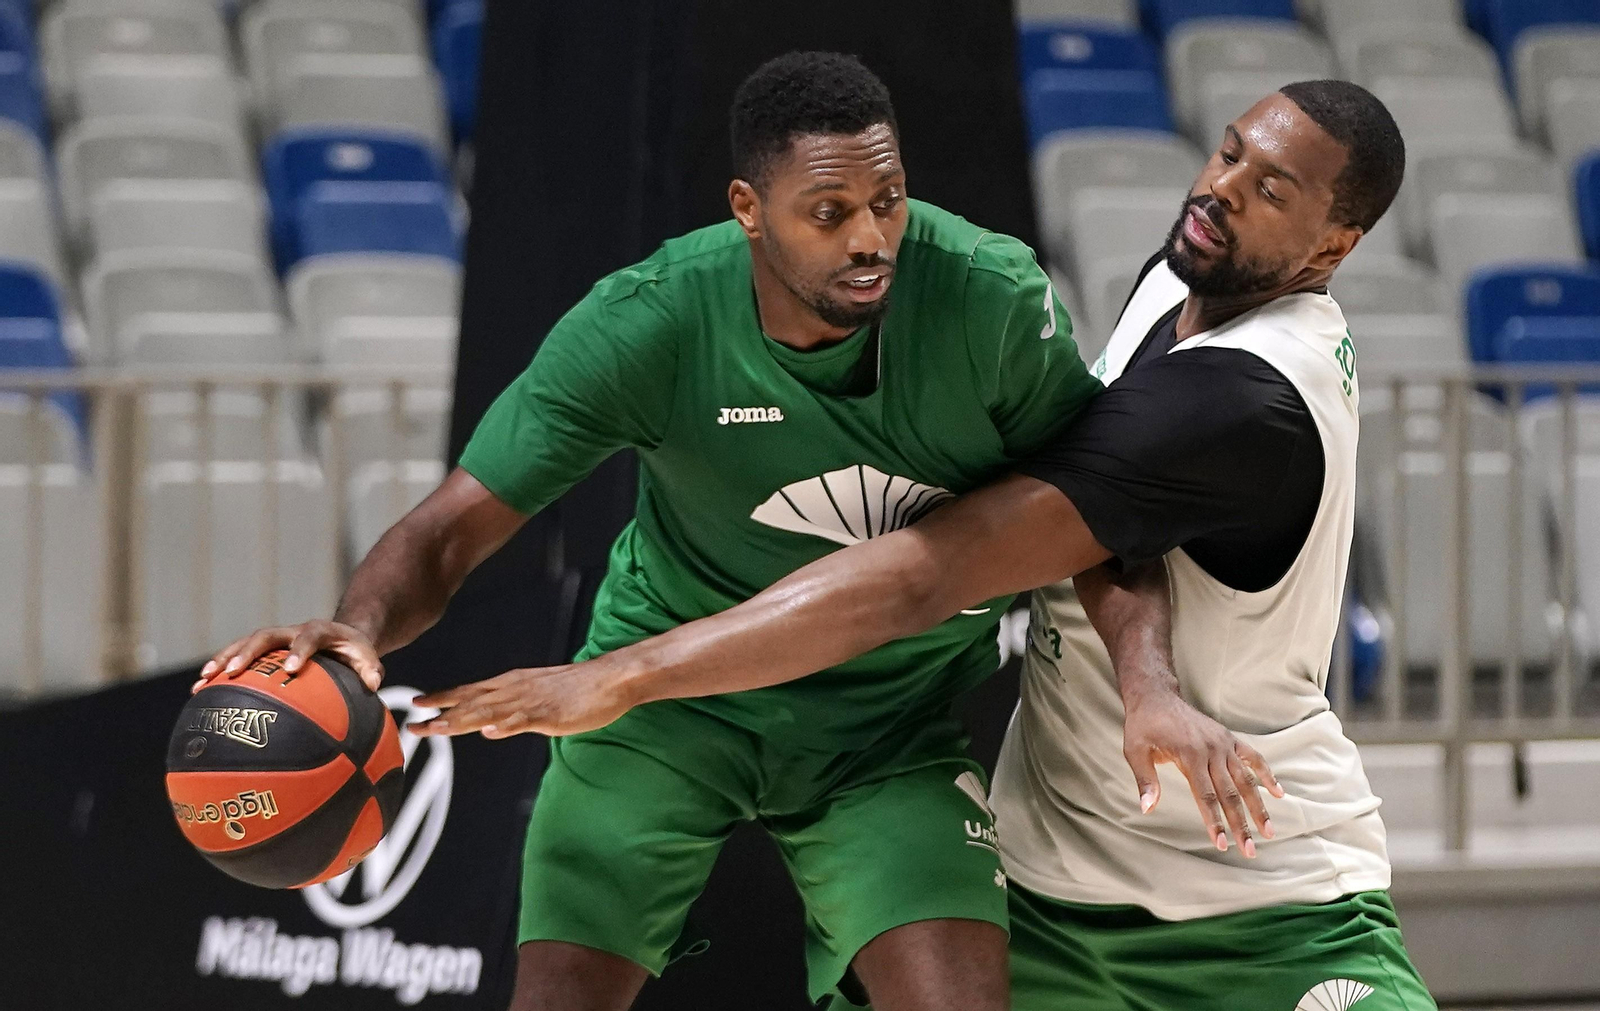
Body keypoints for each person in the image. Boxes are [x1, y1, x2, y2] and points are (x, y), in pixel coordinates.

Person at [196, 51, 1198, 1011]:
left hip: (883, 726)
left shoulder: (986, 299)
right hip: (660, 714)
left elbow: (1098, 521)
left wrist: (1146, 686)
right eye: (829, 212)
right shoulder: (650, 321)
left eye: (886, 202)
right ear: (748, 212)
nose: (870, 239)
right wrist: (358, 632)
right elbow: (450, 528)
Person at [414, 81, 1441, 1011]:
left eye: (1271, 190)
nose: (1220, 191)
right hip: (1056, 879)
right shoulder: (1181, 285)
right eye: (1226, 154)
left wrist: (622, 676)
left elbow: (922, 578)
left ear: (1328, 248)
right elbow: (1111, 538)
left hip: (1250, 889)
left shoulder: (1240, 401)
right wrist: (1142, 686)